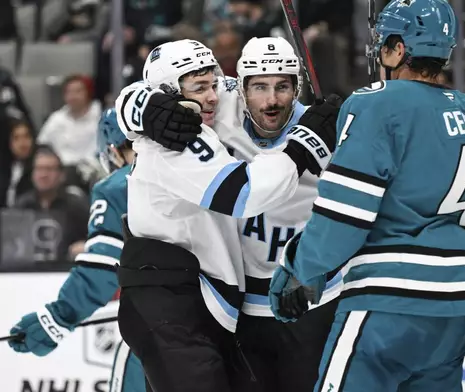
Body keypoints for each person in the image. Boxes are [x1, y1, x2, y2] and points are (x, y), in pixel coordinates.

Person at [268, 0, 465, 391]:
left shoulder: (376, 103)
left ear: (398, 49)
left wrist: (300, 266)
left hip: (390, 299)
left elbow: (345, 213)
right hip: (463, 306)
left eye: (385, 42)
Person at [113, 39, 339, 392]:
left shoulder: (219, 102)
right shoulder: (177, 137)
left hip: (210, 300)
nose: (213, 97)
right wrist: (302, 147)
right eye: (199, 88)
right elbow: (243, 193)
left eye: (214, 85)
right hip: (169, 298)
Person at [215, 36, 341, 392]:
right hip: (240, 305)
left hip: (311, 300)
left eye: (282, 87)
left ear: (297, 87)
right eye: (260, 87)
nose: (271, 100)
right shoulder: (220, 109)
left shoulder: (326, 129)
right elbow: (155, 88)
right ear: (240, 89)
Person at [7, 109, 146, 392]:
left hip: (170, 335)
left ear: (112, 148)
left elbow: (101, 271)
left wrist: (55, 319)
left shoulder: (121, 186)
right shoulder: (217, 165)